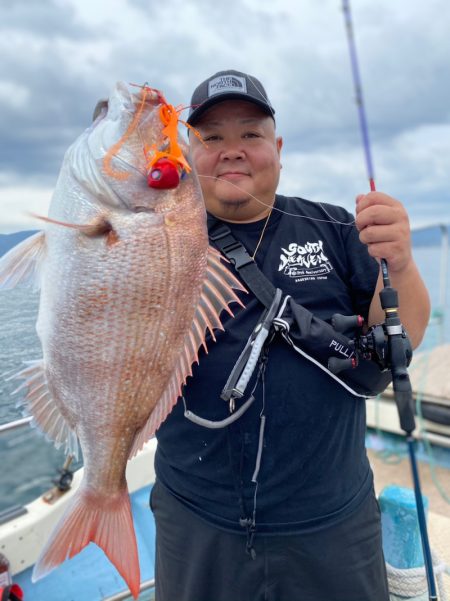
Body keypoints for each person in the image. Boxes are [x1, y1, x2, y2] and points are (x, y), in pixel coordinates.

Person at [150, 69, 430, 601]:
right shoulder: (161, 239)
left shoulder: (333, 227)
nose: (233, 150)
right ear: (188, 154)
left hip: (332, 520)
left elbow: (399, 339)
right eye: (212, 137)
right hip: (196, 517)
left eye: (250, 135)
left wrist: (403, 263)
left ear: (277, 148)